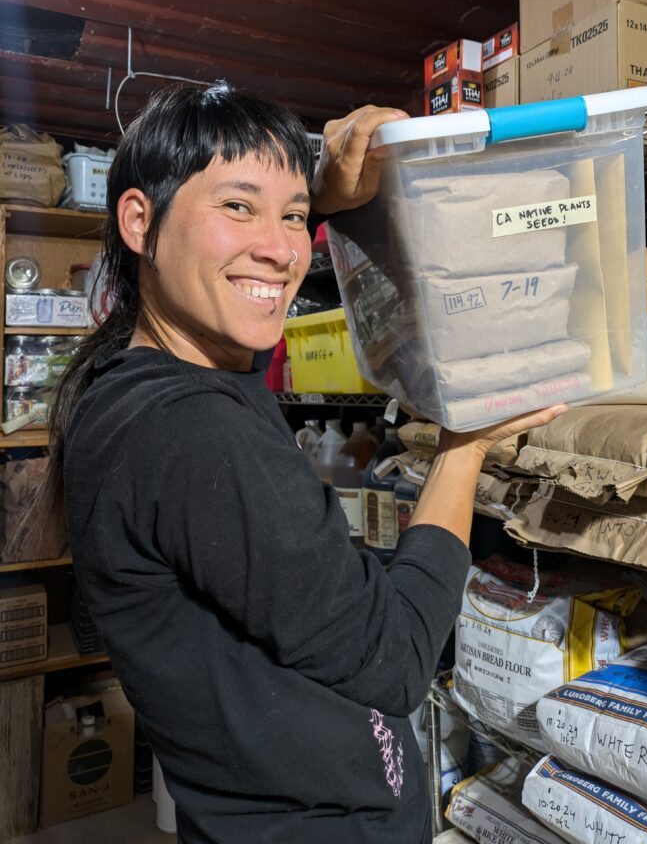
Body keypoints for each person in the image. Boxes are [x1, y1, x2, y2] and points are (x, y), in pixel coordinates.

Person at [48, 83, 566, 844]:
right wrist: (466, 447)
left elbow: (244, 287)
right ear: (138, 220)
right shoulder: (192, 429)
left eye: (290, 217)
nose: (284, 249)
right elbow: (393, 659)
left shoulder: (139, 388)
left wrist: (321, 193)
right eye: (236, 207)